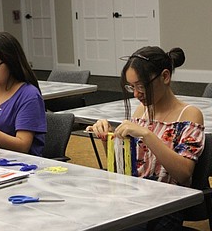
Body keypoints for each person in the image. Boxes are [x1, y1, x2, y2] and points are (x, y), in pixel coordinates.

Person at [86, 46, 205, 230]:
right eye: (131, 87)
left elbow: (183, 174)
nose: (136, 94)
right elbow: (123, 171)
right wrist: (108, 139)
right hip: (134, 199)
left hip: (166, 205)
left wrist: (147, 134)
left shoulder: (189, 115)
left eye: (141, 86)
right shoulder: (142, 111)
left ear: (165, 77)